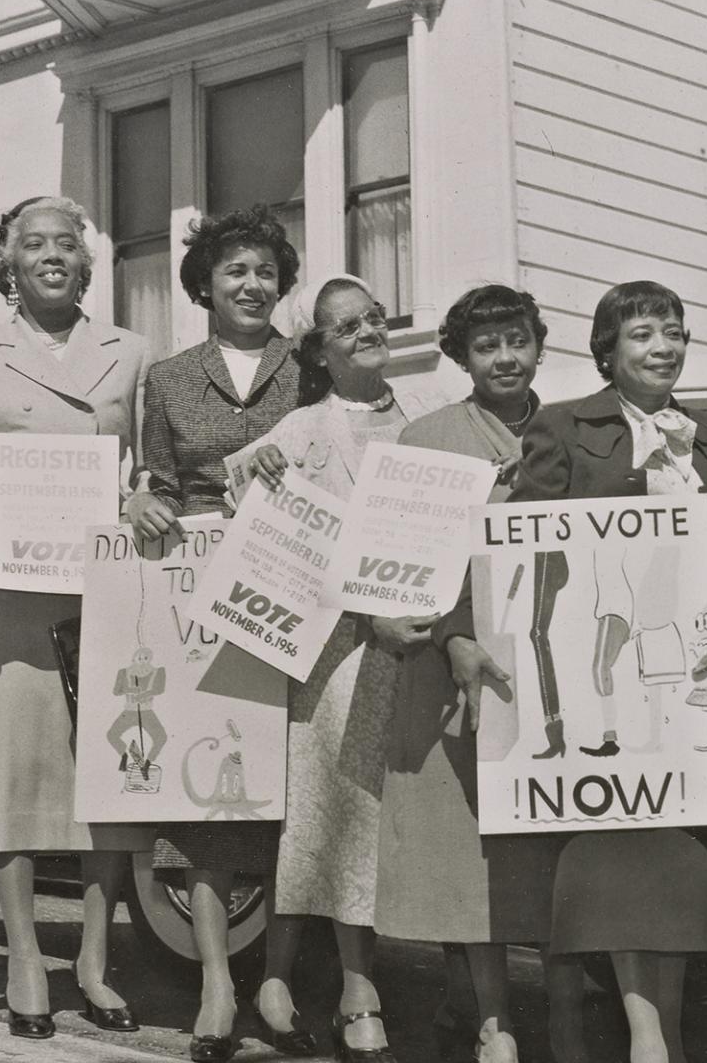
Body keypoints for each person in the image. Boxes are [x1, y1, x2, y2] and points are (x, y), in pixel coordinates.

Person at [436, 280, 707, 1063]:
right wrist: (465, 634)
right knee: (617, 858)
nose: (664, 347)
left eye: (674, 332)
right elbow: (514, 550)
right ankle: (648, 1037)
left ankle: (662, 1029)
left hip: (691, 677)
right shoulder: (565, 428)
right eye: (643, 334)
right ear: (606, 351)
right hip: (599, 676)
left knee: (675, 857)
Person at [0, 196, 153, 1039]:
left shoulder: (129, 352)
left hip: (101, 589)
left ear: (86, 265)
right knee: (12, 772)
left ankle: (92, 956)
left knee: (102, 772)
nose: (52, 255)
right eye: (34, 245)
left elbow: (143, 467)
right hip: (7, 588)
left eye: (67, 244)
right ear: (9, 266)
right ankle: (24, 952)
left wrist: (139, 503)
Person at [374, 284, 584, 1063]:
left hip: (538, 668)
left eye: (518, 340)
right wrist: (450, 640)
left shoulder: (566, 430)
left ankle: (525, 1014)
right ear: (462, 357)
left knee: (540, 856)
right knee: (469, 857)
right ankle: (495, 1023)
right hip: (444, 664)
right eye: (488, 345)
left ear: (539, 343)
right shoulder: (426, 438)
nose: (506, 357)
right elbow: (399, 563)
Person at [124, 206, 309, 1063]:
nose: (251, 285)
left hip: (294, 594)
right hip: (200, 602)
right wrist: (143, 499)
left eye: (265, 271)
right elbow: (154, 478)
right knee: (212, 798)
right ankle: (214, 983)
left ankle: (275, 975)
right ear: (205, 283)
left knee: (286, 792)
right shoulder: (165, 379)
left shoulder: (307, 368)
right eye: (235, 270)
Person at [247, 275, 446, 1063]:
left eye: (373, 318)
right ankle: (350, 986)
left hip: (424, 644)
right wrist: (255, 482)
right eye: (345, 327)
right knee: (336, 812)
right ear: (319, 351)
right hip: (337, 651)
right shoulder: (300, 431)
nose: (366, 331)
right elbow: (279, 542)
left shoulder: (431, 416)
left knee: (417, 816)